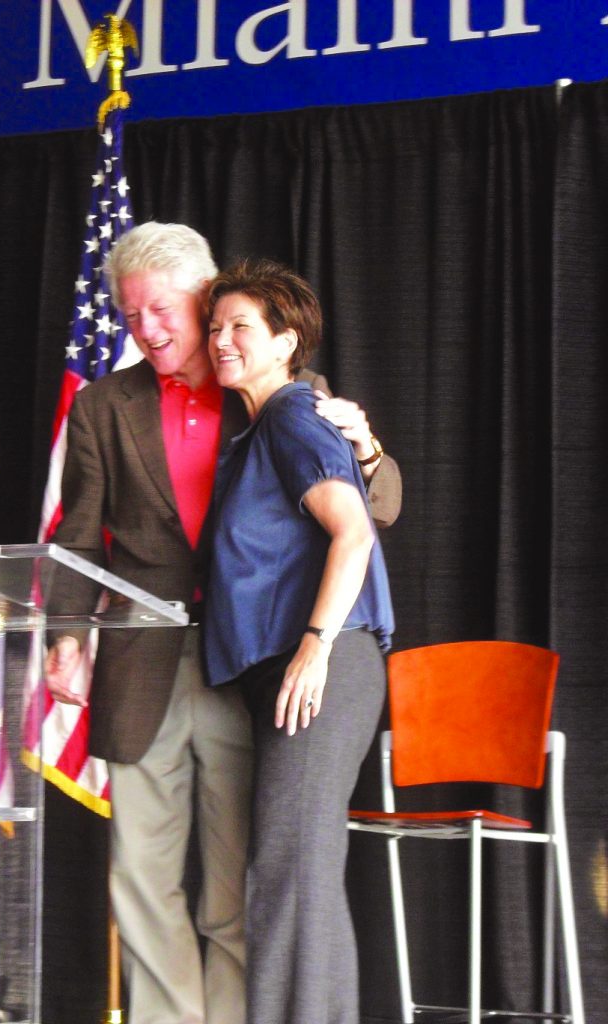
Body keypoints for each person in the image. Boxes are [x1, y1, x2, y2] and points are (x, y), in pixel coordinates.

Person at [44, 223, 400, 1024]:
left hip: (253, 663)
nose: (146, 329)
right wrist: (67, 636)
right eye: (130, 314)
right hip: (141, 657)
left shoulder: (276, 389)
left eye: (162, 310)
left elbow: (372, 510)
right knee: (143, 874)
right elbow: (78, 535)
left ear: (207, 303)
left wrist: (370, 449)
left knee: (249, 869)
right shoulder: (102, 406)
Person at [203, 257, 395, 1024]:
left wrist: (315, 645)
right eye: (214, 326)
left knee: (291, 868)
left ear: (286, 342)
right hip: (296, 668)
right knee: (298, 869)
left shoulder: (292, 413)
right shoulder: (264, 428)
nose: (221, 340)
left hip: (323, 662)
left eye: (240, 326)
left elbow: (354, 531)